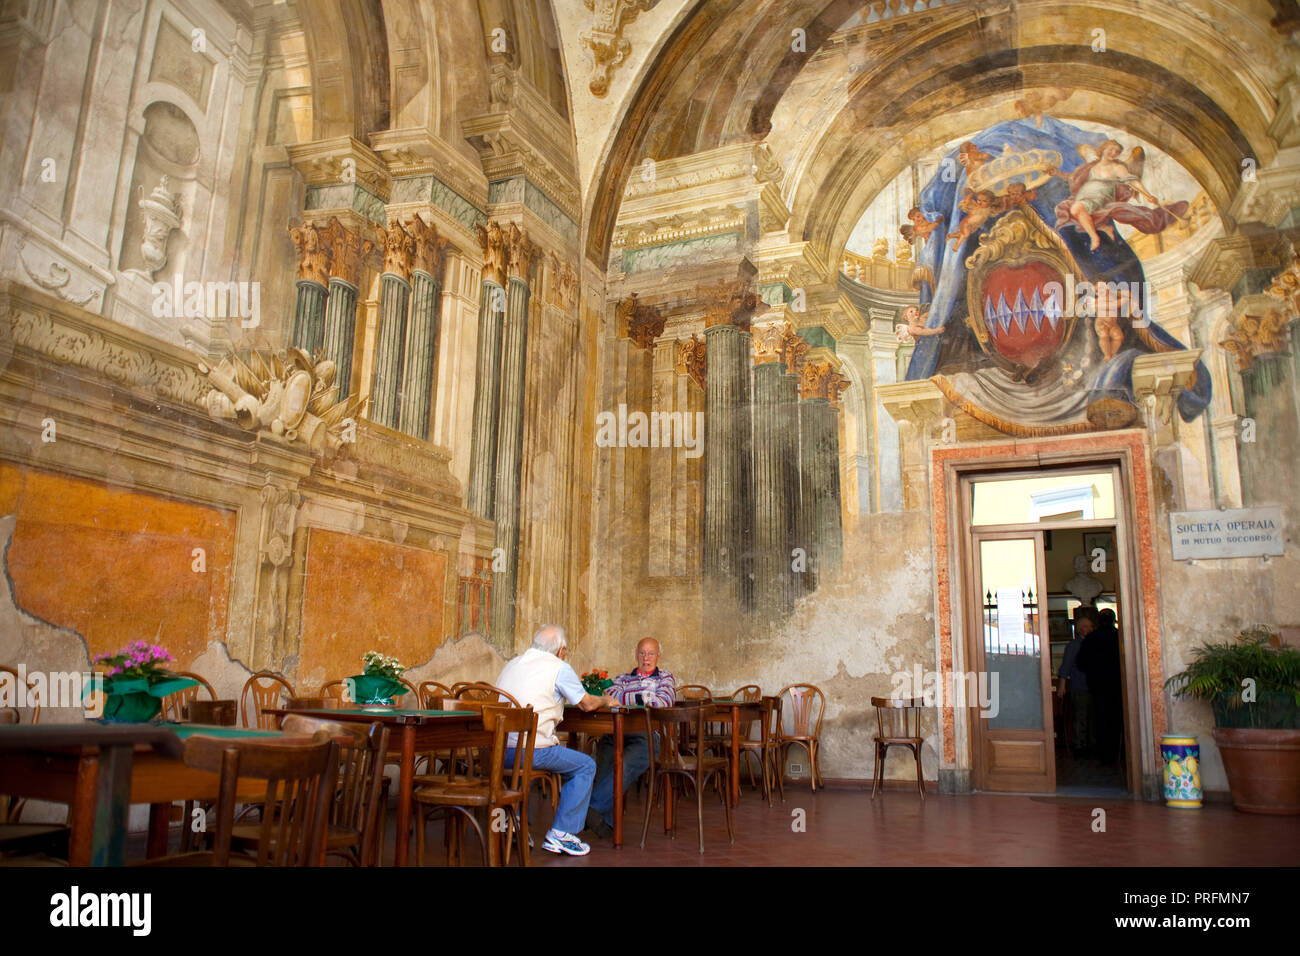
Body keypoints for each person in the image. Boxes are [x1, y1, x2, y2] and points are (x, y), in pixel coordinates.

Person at [494, 624, 619, 856]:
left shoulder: (512, 664)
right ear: (561, 650)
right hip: (532, 750)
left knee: (520, 771)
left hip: (498, 752)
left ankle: (507, 826)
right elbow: (586, 704)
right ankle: (563, 833)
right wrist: (604, 700)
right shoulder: (558, 667)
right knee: (585, 765)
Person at [585, 637, 675, 838]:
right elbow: (610, 696)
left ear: (658, 656)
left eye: (651, 653)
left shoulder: (666, 678)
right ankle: (604, 823)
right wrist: (644, 697)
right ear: (636, 655)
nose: (646, 657)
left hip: (647, 736)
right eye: (642, 653)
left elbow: (663, 702)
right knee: (605, 763)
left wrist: (626, 699)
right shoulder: (622, 678)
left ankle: (588, 810)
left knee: (623, 765)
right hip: (617, 731)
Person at [1077, 606, 1123, 766]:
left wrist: (1094, 670)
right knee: (1117, 720)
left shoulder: (1091, 639)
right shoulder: (1120, 637)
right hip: (1118, 686)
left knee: (1101, 720)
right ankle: (1120, 753)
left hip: (1097, 687)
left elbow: (1080, 663)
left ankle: (1105, 755)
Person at [1056, 611, 1093, 755]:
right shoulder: (1073, 646)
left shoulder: (1091, 644)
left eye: (1090, 626)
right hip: (1079, 686)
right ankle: (1080, 746)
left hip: (1091, 686)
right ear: (1079, 629)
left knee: (1091, 718)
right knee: (1081, 717)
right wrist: (1062, 685)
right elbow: (1065, 666)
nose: (1089, 629)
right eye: (1086, 626)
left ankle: (1090, 745)